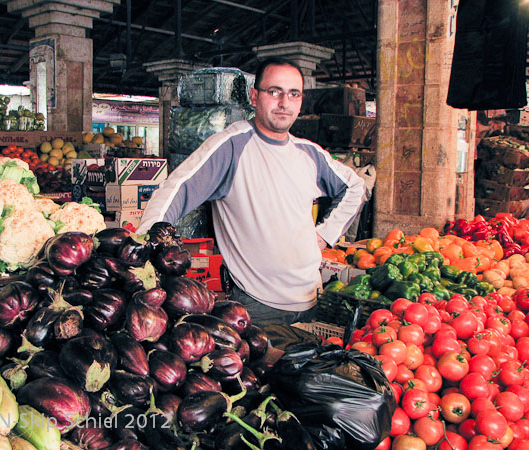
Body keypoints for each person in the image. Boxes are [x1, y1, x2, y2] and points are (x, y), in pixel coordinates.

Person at [137, 57, 366, 326]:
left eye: (293, 94)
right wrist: (146, 242)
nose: (284, 102)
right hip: (256, 308)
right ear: (254, 97)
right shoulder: (231, 147)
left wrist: (325, 235)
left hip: (311, 298)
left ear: (301, 102)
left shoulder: (310, 153)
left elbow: (355, 187)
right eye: (274, 92)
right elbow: (177, 188)